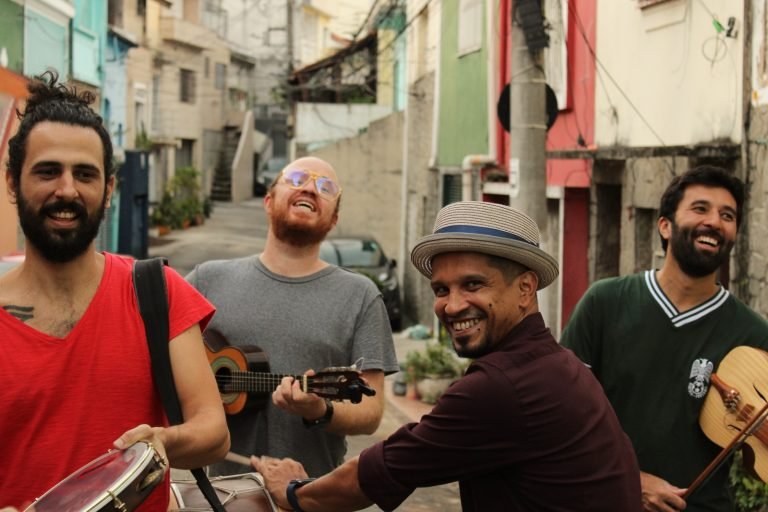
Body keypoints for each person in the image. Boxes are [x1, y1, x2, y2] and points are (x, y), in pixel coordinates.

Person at [250, 200, 643, 511]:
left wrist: (292, 491)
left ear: (525, 289)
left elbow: (367, 479)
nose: (452, 306)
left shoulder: (502, 387)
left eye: (473, 284)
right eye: (441, 290)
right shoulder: (555, 364)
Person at [0, 71, 230, 510]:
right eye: (48, 171)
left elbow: (213, 432)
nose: (67, 190)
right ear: (13, 183)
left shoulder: (155, 292)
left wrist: (162, 441)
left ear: (107, 190)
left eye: (85, 174)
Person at [561, 165, 768, 512]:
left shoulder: (753, 334)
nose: (715, 221)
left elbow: (755, 460)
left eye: (727, 215)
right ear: (665, 226)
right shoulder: (604, 303)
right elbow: (560, 416)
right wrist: (632, 480)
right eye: (700, 208)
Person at [186, 156, 399, 477]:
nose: (311, 187)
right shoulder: (206, 280)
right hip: (219, 495)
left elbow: (370, 411)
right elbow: (150, 353)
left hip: (309, 495)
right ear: (268, 201)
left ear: (334, 219)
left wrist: (322, 409)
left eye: (325, 187)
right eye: (298, 178)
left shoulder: (361, 296)